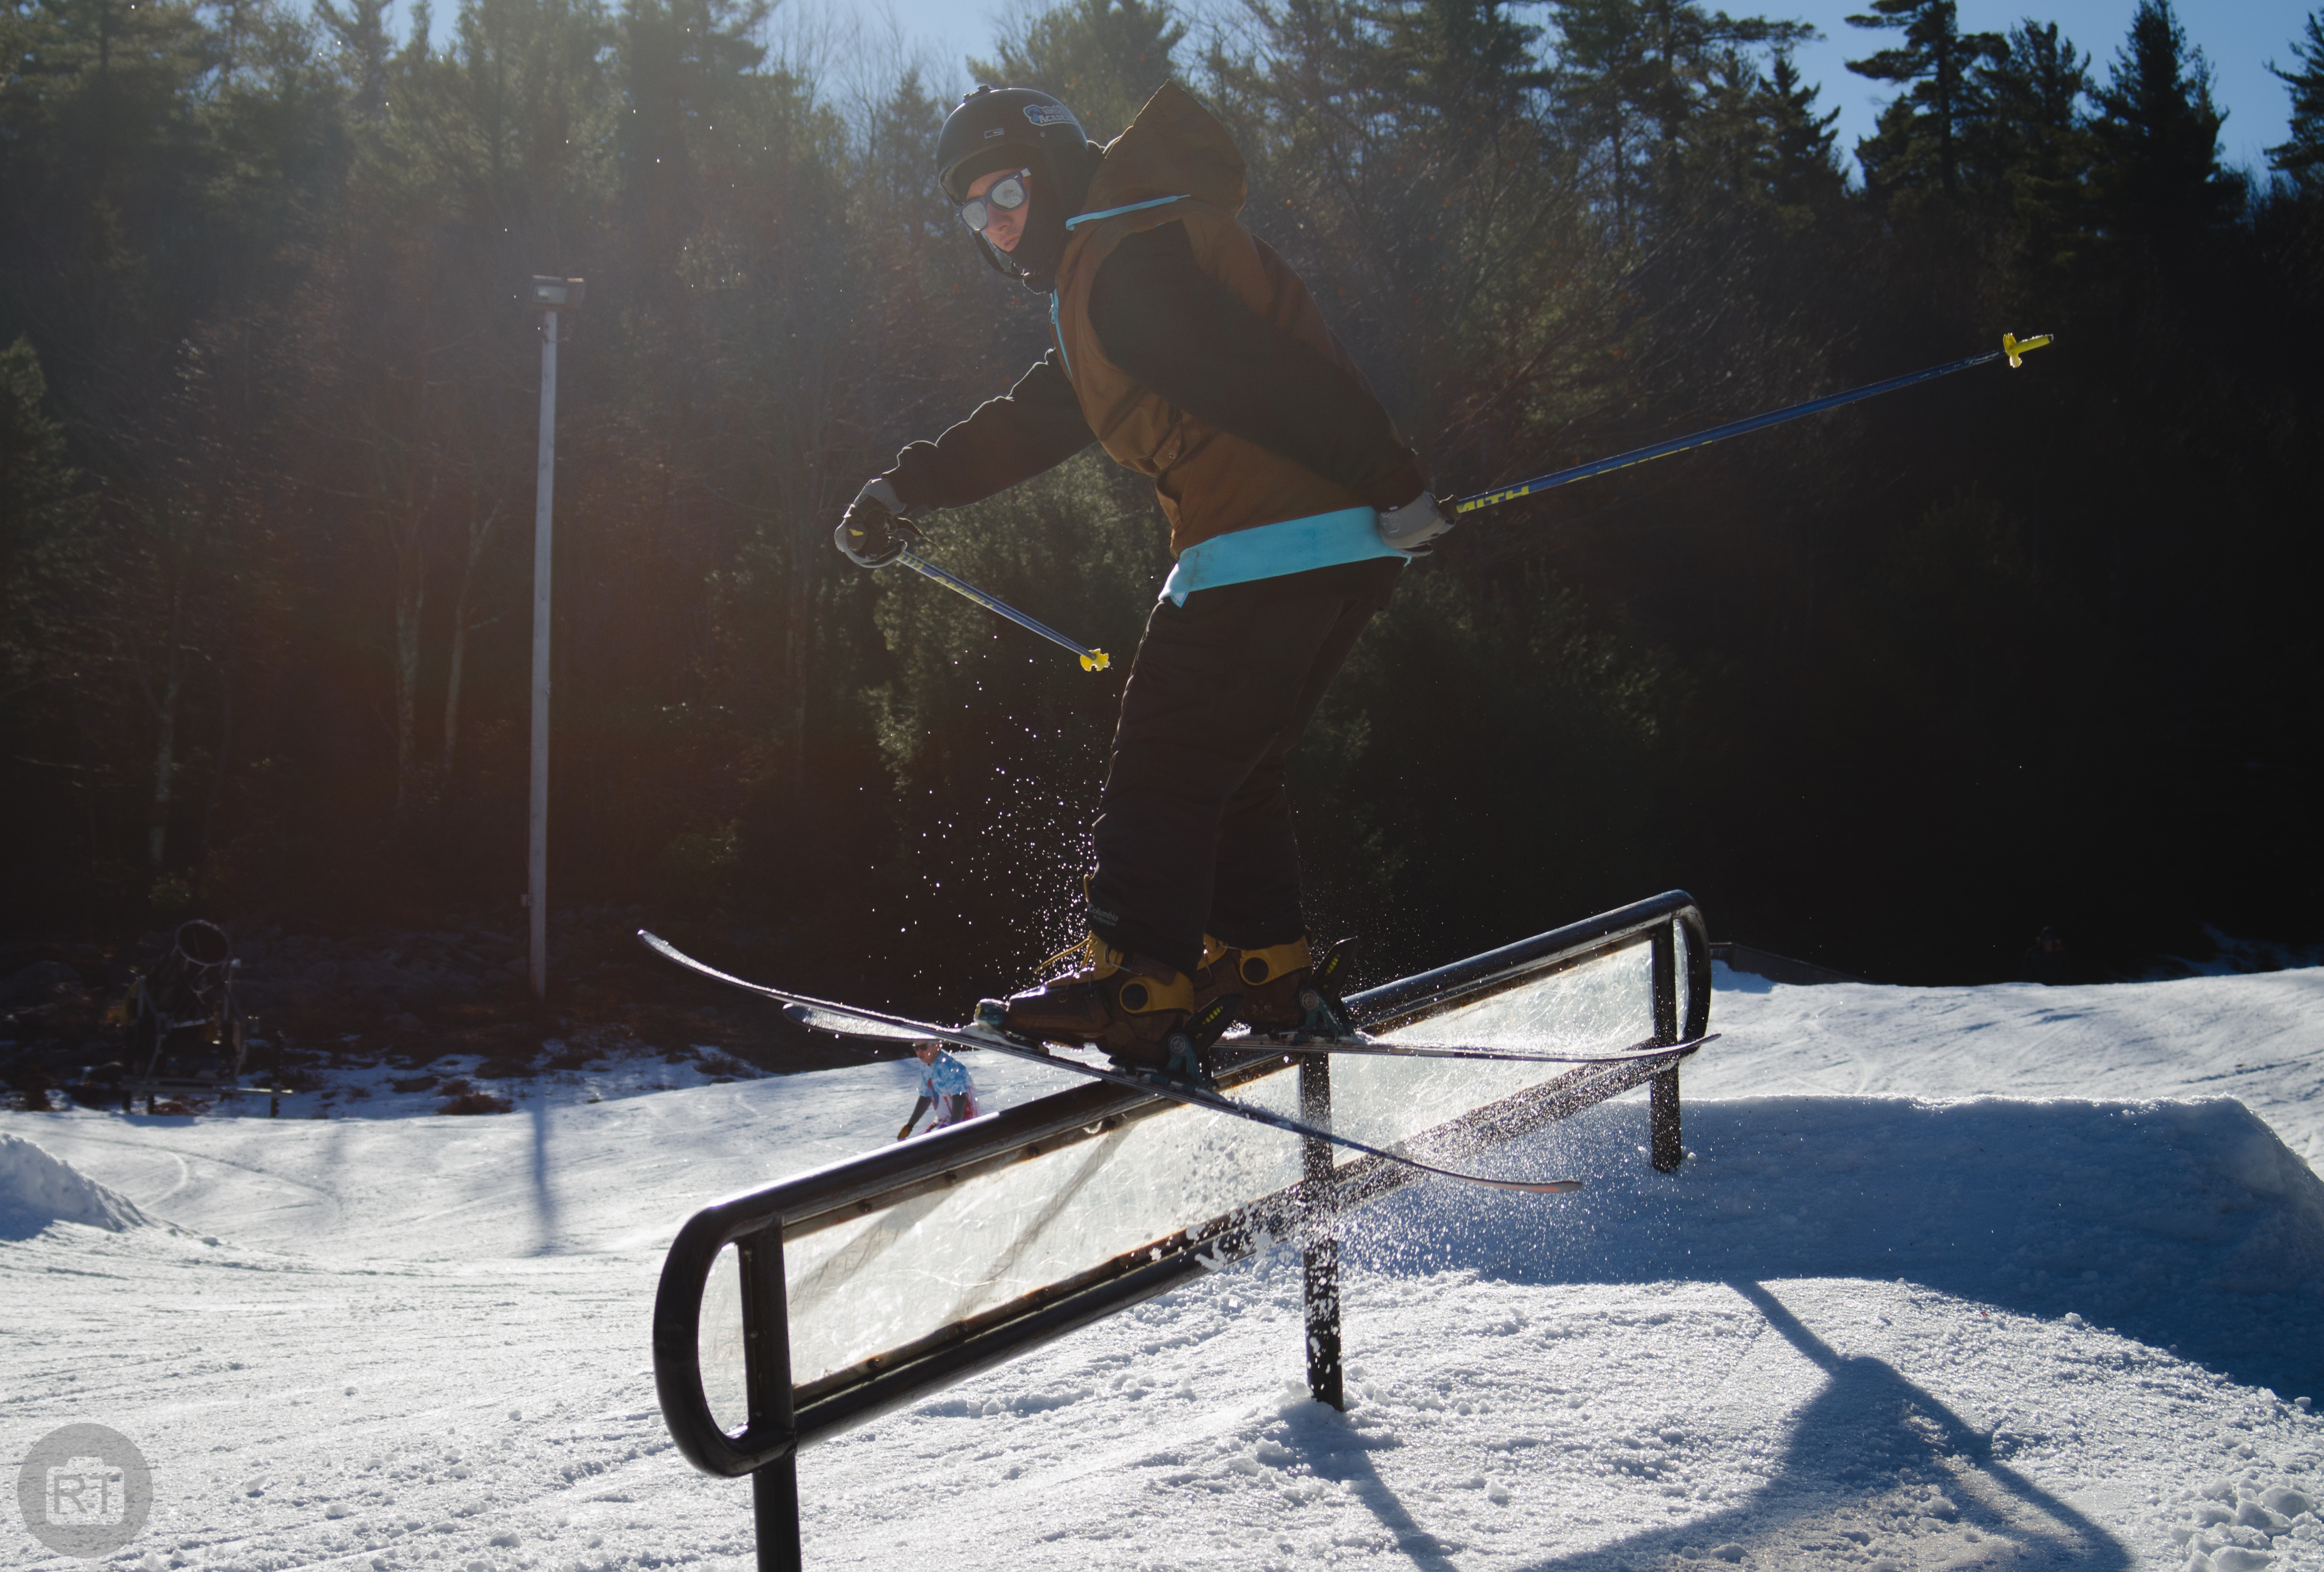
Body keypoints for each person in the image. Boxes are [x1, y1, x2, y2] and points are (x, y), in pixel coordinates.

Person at [837, 81, 1447, 1079]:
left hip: (1267, 535)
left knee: (1163, 762)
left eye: (1005, 193)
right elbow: (1046, 412)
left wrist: (1394, 473)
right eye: (974, 213)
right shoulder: (1108, 265)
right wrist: (909, 484)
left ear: (1056, 165)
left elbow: (1253, 371)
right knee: (1229, 766)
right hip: (1326, 544)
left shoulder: (1125, 262)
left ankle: (1134, 982)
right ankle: (1267, 969)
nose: (994, 226)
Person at [897, 1040, 981, 1140]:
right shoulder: (925, 1067)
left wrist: (954, 1130)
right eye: (916, 1048)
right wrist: (910, 1125)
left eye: (923, 1047)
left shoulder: (948, 1066)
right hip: (944, 1121)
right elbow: (926, 1097)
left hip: (964, 1123)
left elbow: (960, 1098)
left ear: (936, 1044)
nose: (919, 1052)